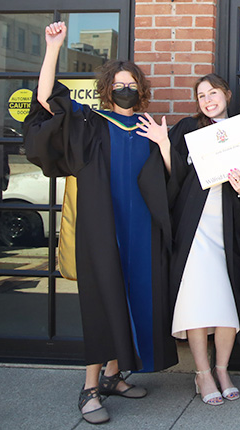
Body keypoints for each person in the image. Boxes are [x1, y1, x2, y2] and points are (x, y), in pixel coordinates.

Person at [23, 22, 178, 424]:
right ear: (108, 88)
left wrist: (163, 146)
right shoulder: (91, 124)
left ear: (139, 89)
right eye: (119, 84)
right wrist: (53, 47)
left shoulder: (148, 129)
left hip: (142, 231)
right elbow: (45, 99)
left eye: (131, 84)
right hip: (103, 230)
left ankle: (113, 376)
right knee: (102, 301)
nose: (125, 89)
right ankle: (89, 387)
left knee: (137, 299)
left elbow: (169, 181)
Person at [167, 73, 240, 406]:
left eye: (213, 92)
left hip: (227, 229)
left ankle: (222, 369)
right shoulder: (187, 131)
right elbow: (172, 174)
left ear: (227, 95)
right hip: (195, 229)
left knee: (224, 305)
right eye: (201, 95)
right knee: (195, 303)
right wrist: (164, 146)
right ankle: (202, 374)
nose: (208, 99)